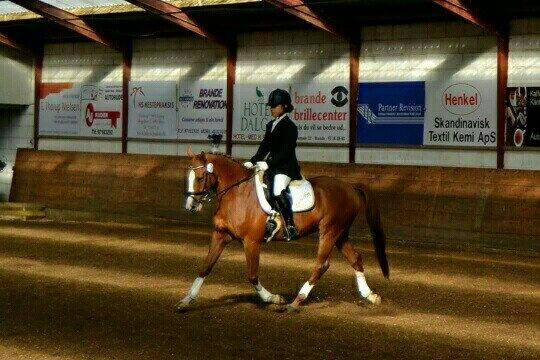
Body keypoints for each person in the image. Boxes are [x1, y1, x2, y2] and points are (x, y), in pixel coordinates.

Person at [243, 88, 301, 241]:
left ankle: (290, 226)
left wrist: (268, 163)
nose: (271, 109)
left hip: (286, 167)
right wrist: (253, 160)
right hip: (274, 166)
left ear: (284, 107)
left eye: (274, 106)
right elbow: (265, 146)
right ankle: (271, 218)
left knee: (277, 189)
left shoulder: (290, 127)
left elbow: (286, 152)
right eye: (271, 106)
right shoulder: (271, 125)